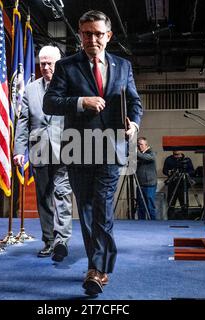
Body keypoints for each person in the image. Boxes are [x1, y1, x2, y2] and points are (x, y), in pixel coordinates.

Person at [44, 10, 143, 296]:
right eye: (87, 33)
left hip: (112, 147)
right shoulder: (66, 66)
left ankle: (97, 270)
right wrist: (80, 102)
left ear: (108, 36)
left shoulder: (123, 66)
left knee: (101, 205)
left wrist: (134, 123)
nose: (92, 39)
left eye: (98, 34)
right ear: (80, 34)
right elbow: (50, 103)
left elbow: (134, 102)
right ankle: (99, 266)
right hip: (78, 147)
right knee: (86, 209)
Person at [13, 46, 73, 262]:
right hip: (38, 150)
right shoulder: (30, 89)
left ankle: (61, 241)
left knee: (62, 194)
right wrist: (19, 150)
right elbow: (23, 121)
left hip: (65, 149)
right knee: (44, 198)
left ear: (59, 63)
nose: (46, 67)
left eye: (50, 63)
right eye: (42, 63)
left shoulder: (70, 86)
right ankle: (49, 241)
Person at [162, 151, 195, 219]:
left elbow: (192, 171)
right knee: (171, 203)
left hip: (183, 185)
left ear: (181, 151)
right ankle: (170, 219)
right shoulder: (169, 159)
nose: (176, 156)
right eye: (175, 154)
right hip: (172, 184)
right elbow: (164, 170)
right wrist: (169, 172)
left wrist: (186, 173)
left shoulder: (186, 160)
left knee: (184, 203)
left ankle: (185, 219)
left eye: (177, 154)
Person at [136, 137, 157, 220]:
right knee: (141, 206)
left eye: (141, 144)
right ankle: (141, 224)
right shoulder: (139, 155)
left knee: (150, 206)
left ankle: (153, 224)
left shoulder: (152, 153)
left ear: (146, 145)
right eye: (138, 145)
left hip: (149, 185)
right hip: (140, 184)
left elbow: (149, 158)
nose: (139, 146)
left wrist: (135, 152)